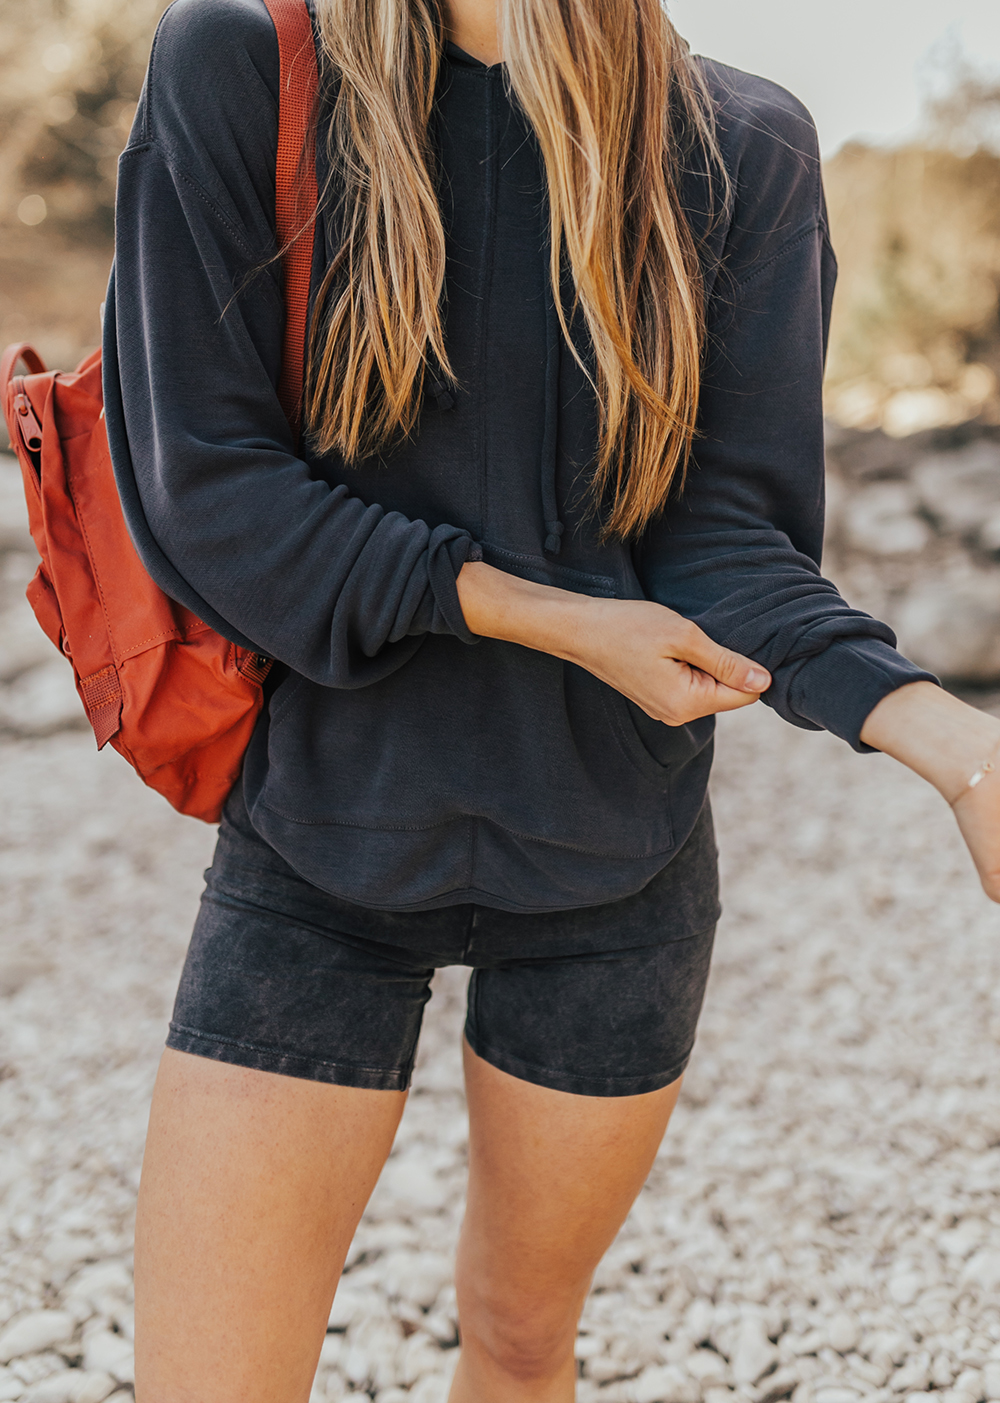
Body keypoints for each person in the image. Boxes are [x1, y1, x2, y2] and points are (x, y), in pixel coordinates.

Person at [102, 0, 1000, 1395]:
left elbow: (725, 539)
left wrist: (951, 743)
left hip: (611, 877)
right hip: (319, 850)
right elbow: (209, 491)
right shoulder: (240, 64)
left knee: (522, 1344)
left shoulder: (742, 146)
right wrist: (551, 616)